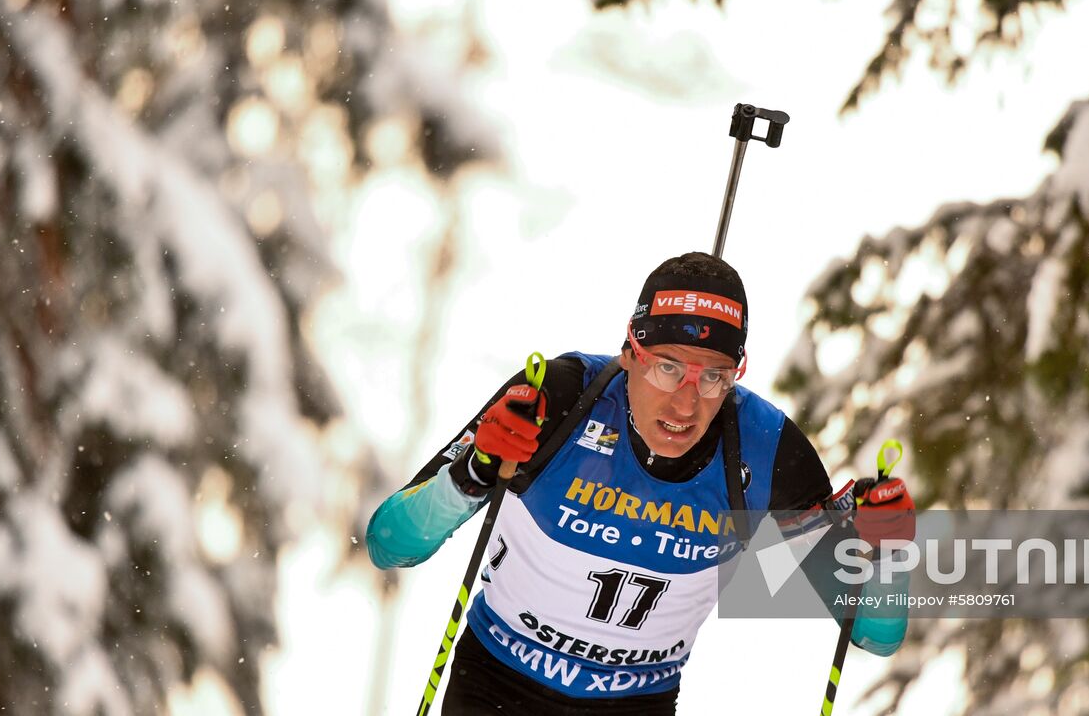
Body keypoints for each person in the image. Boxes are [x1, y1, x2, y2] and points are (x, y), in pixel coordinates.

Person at [367, 252, 914, 714]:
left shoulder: (767, 452)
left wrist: (888, 553)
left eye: (714, 377)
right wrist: (475, 471)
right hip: (496, 687)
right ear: (630, 352)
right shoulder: (559, 399)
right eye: (667, 367)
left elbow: (872, 633)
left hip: (636, 706)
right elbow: (389, 544)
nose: (686, 402)